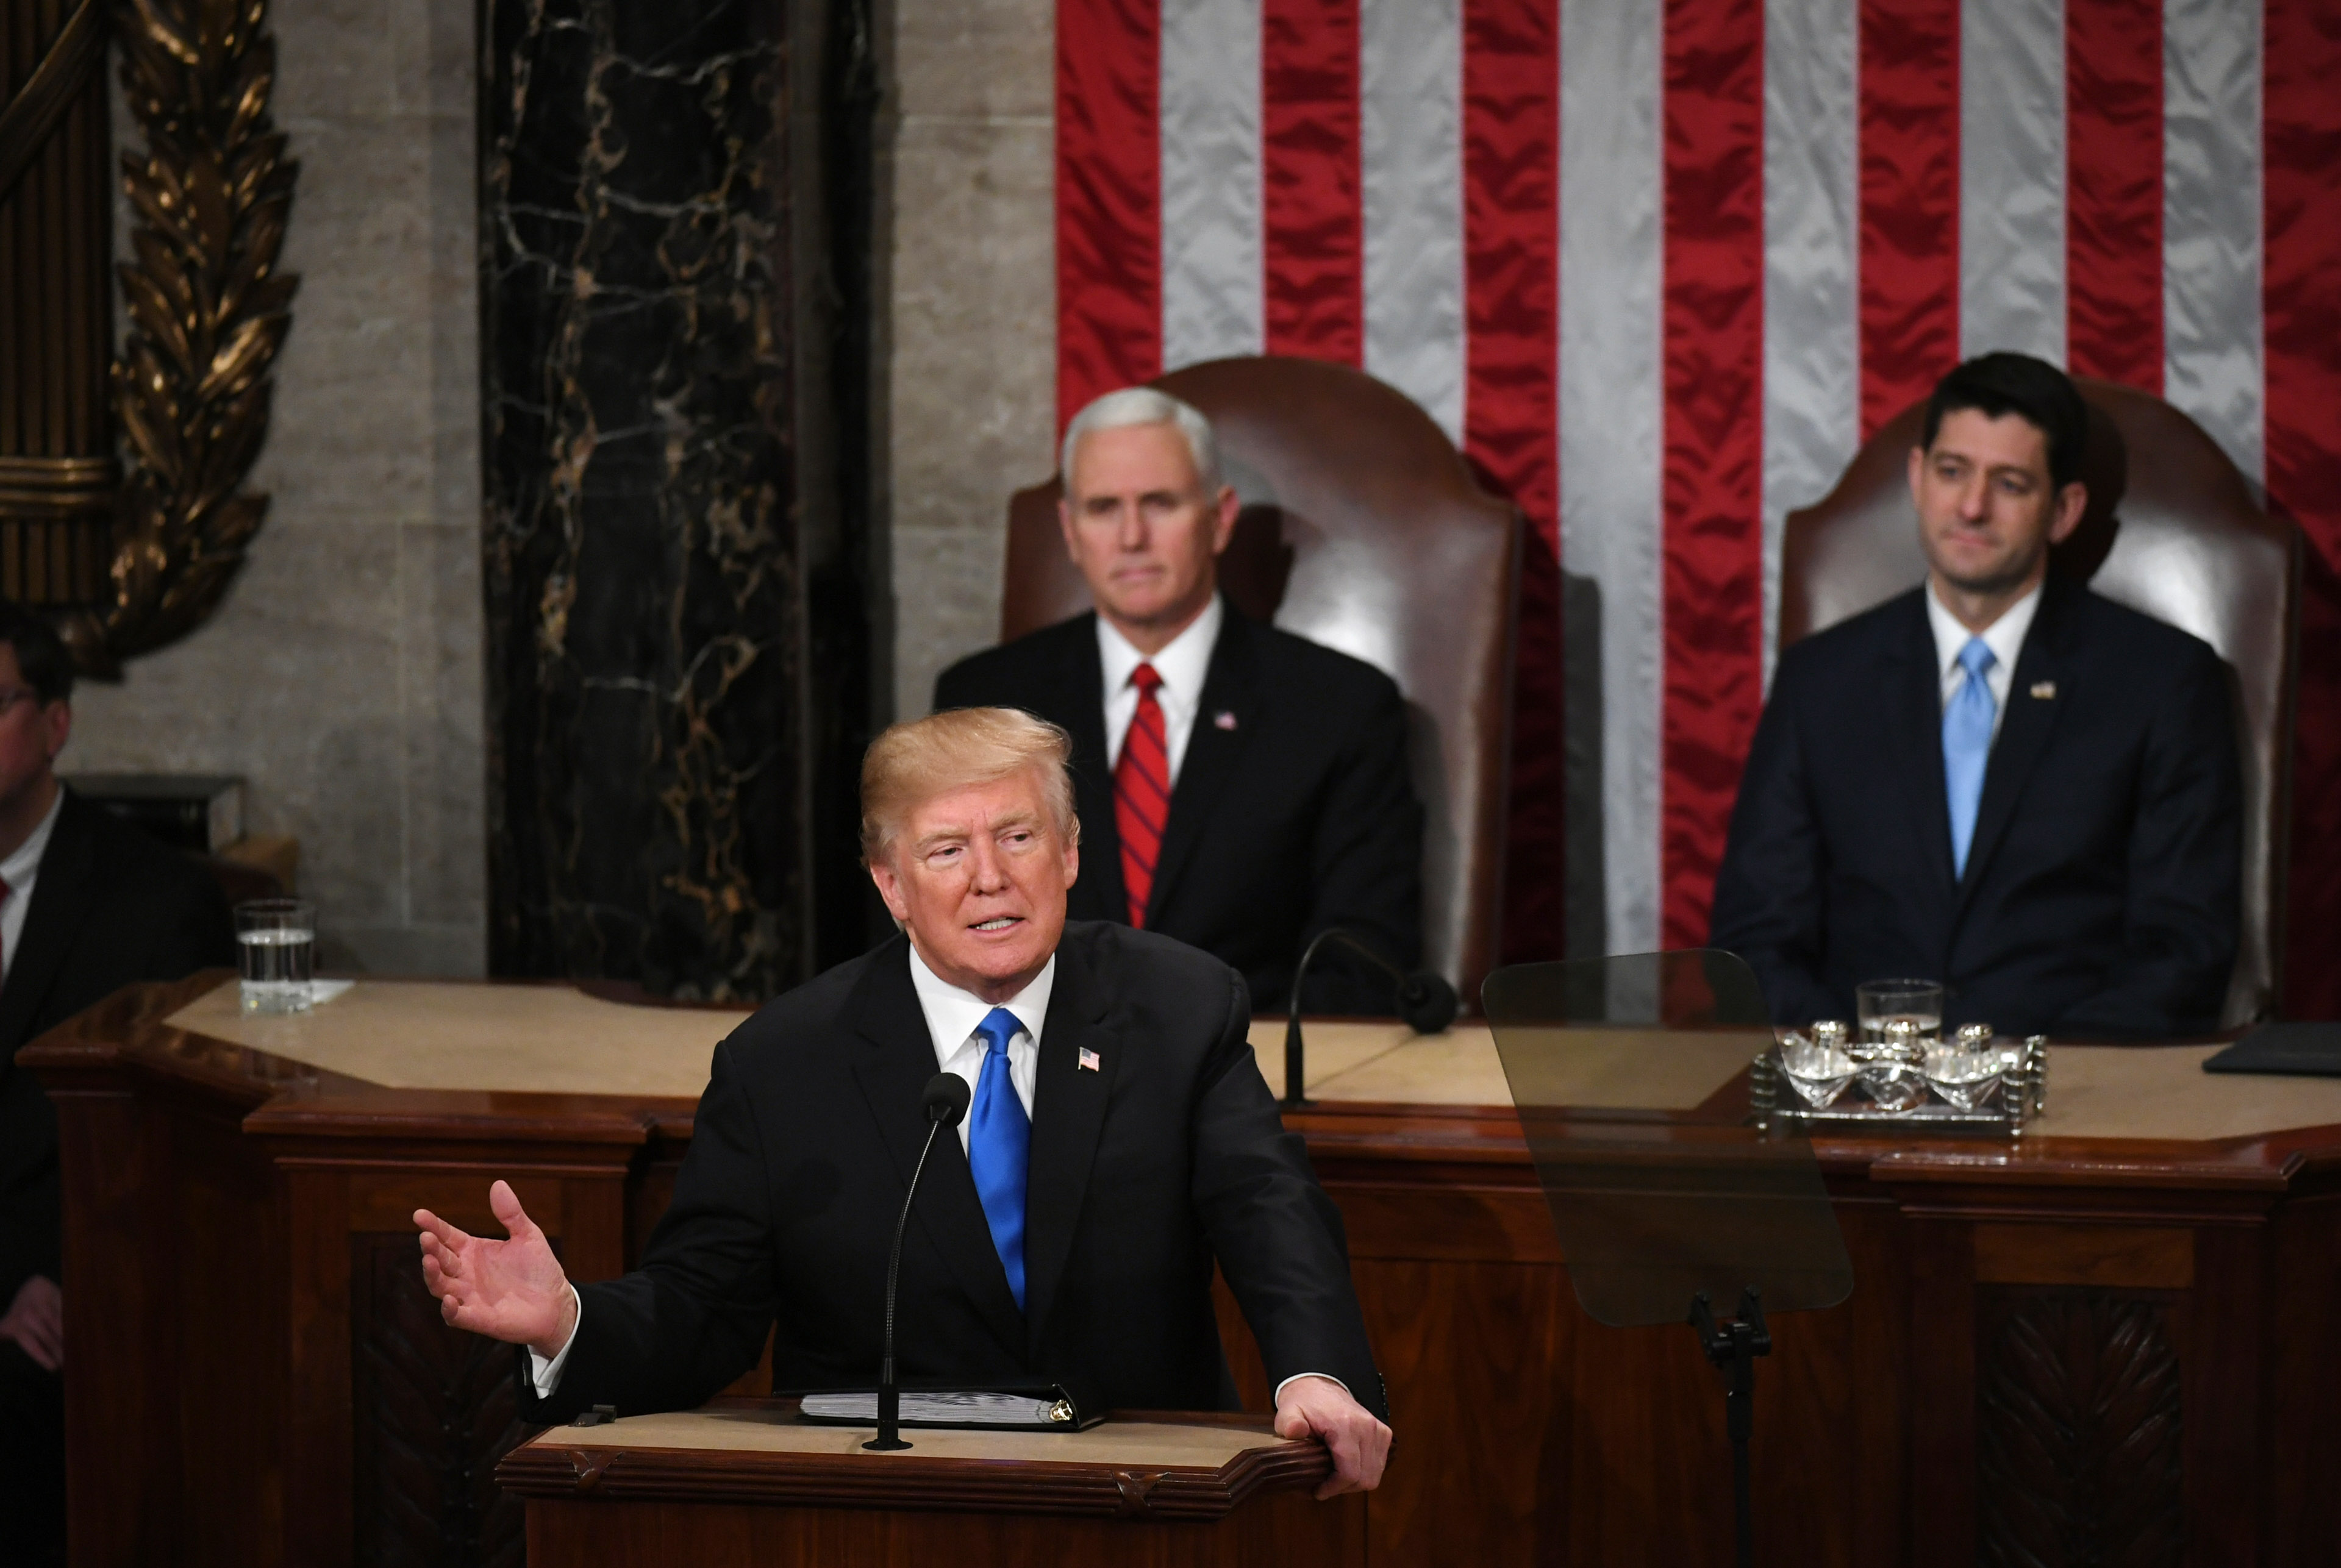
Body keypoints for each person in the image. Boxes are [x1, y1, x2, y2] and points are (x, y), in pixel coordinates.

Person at [414, 707, 1393, 1496]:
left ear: (1070, 855)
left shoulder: (1179, 1006)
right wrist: (565, 1322)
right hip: (884, 1511)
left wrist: (1316, 1373)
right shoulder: (783, 1061)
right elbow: (705, 1309)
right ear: (889, 884)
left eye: (1018, 836)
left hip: (1142, 1497)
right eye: (944, 852)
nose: (989, 879)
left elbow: (1270, 1211)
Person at [1709, 352, 2240, 1039]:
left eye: (2009, 483)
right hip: (1856, 1099)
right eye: (1951, 471)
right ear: (1916, 477)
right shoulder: (1820, 679)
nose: (1970, 507)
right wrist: (1854, 1070)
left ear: (2062, 510)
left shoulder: (2161, 680)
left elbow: (2182, 948)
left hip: (2072, 1104)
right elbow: (1754, 939)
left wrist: (2031, 1076)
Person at [932, 387, 1422, 1015]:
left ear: (1218, 519)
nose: (1131, 536)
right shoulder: (982, 700)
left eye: (1158, 504)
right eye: (1104, 508)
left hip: (1250, 1077)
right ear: (1070, 531)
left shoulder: (1339, 706)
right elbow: (936, 935)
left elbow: (1361, 961)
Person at [0, 603, 237, 1564]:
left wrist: (61, 1278)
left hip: (73, 1291)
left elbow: (176, 1149)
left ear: (56, 722)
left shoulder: (156, 902)